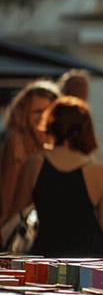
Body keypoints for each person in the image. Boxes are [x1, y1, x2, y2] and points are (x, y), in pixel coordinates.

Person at [12, 97, 103, 258]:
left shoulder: (34, 164)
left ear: (51, 126)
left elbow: (18, 210)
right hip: (91, 259)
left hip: (47, 255)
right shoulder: (100, 170)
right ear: (86, 129)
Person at [0, 80, 61, 224]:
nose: (43, 118)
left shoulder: (52, 144)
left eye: (49, 112)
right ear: (24, 114)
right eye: (38, 111)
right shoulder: (16, 141)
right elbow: (8, 197)